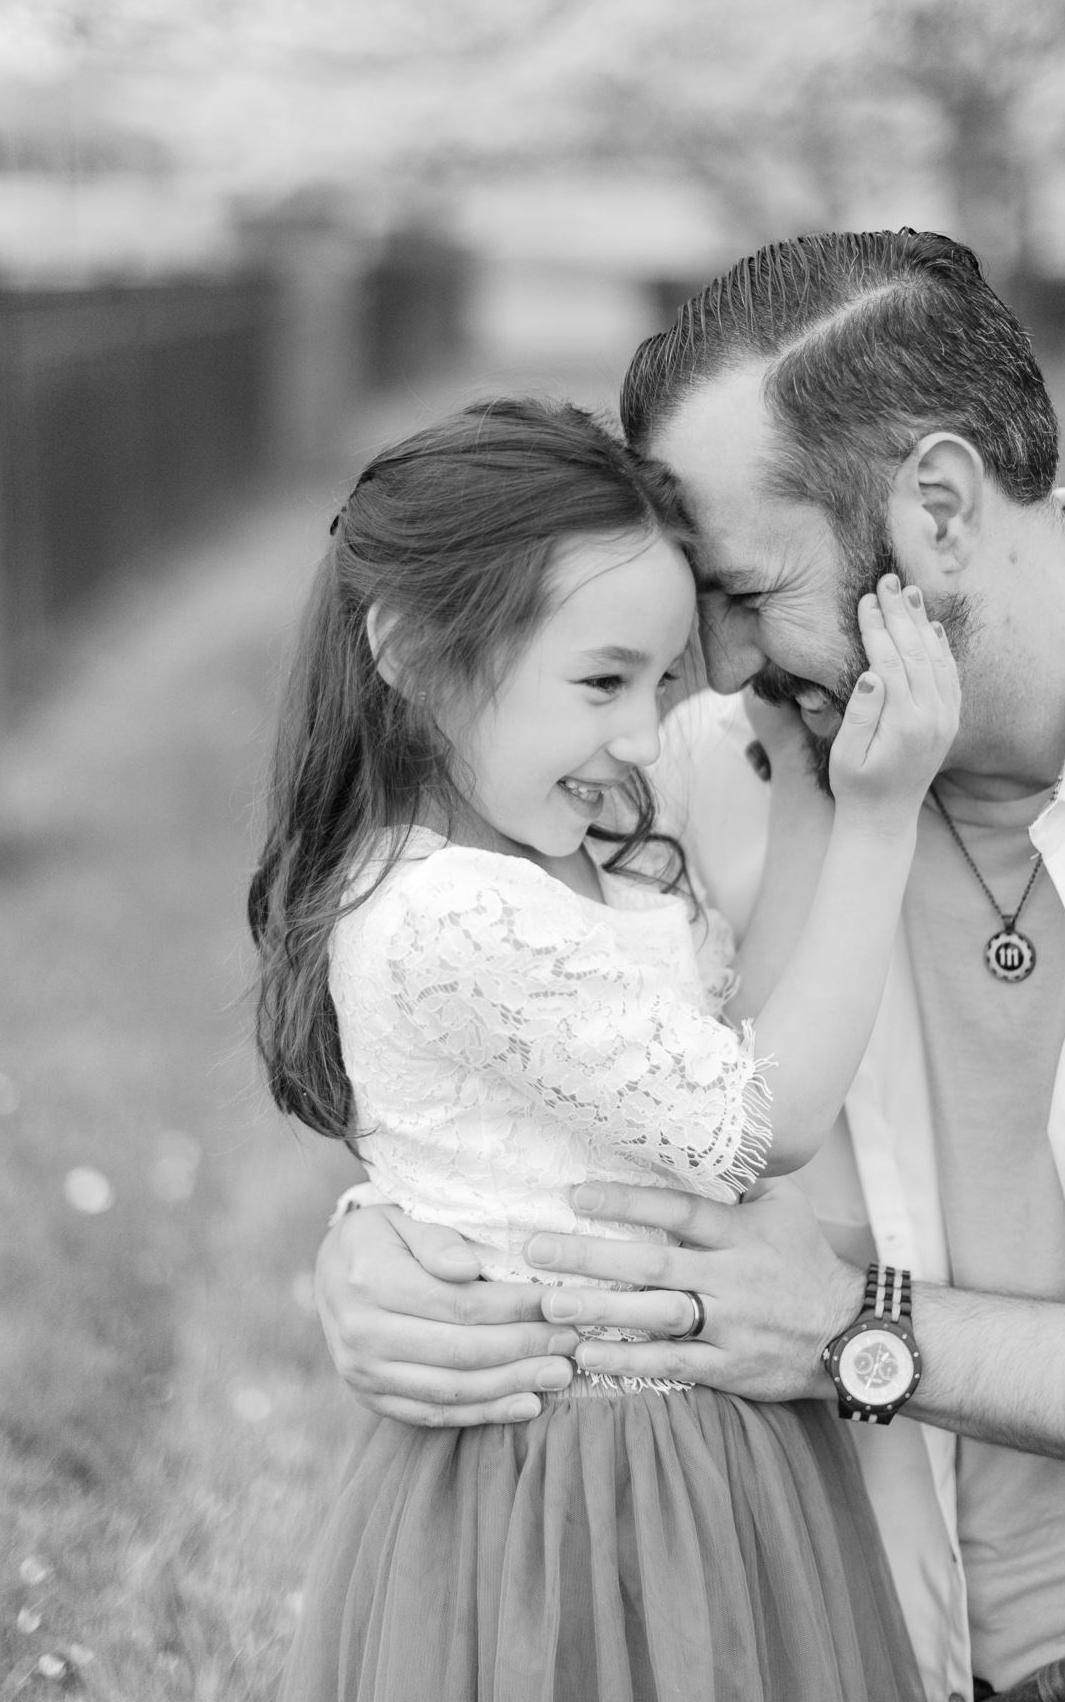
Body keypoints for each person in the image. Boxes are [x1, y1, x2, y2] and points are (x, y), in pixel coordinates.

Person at [313, 231, 1065, 1702]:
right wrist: (382, 1261)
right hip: (831, 1622)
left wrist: (862, 1337)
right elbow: (507, 1052)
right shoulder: (693, 774)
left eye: (742, 592)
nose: (701, 671)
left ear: (938, 513)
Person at [251, 395, 960, 1701]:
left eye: (662, 682)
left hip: (706, 1442)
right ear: (411, 650)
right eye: (599, 682)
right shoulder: (452, 915)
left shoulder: (574, 847)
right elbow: (759, 1124)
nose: (642, 736)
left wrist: (806, 784)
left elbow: (747, 1015)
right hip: (574, 1478)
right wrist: (875, 820)